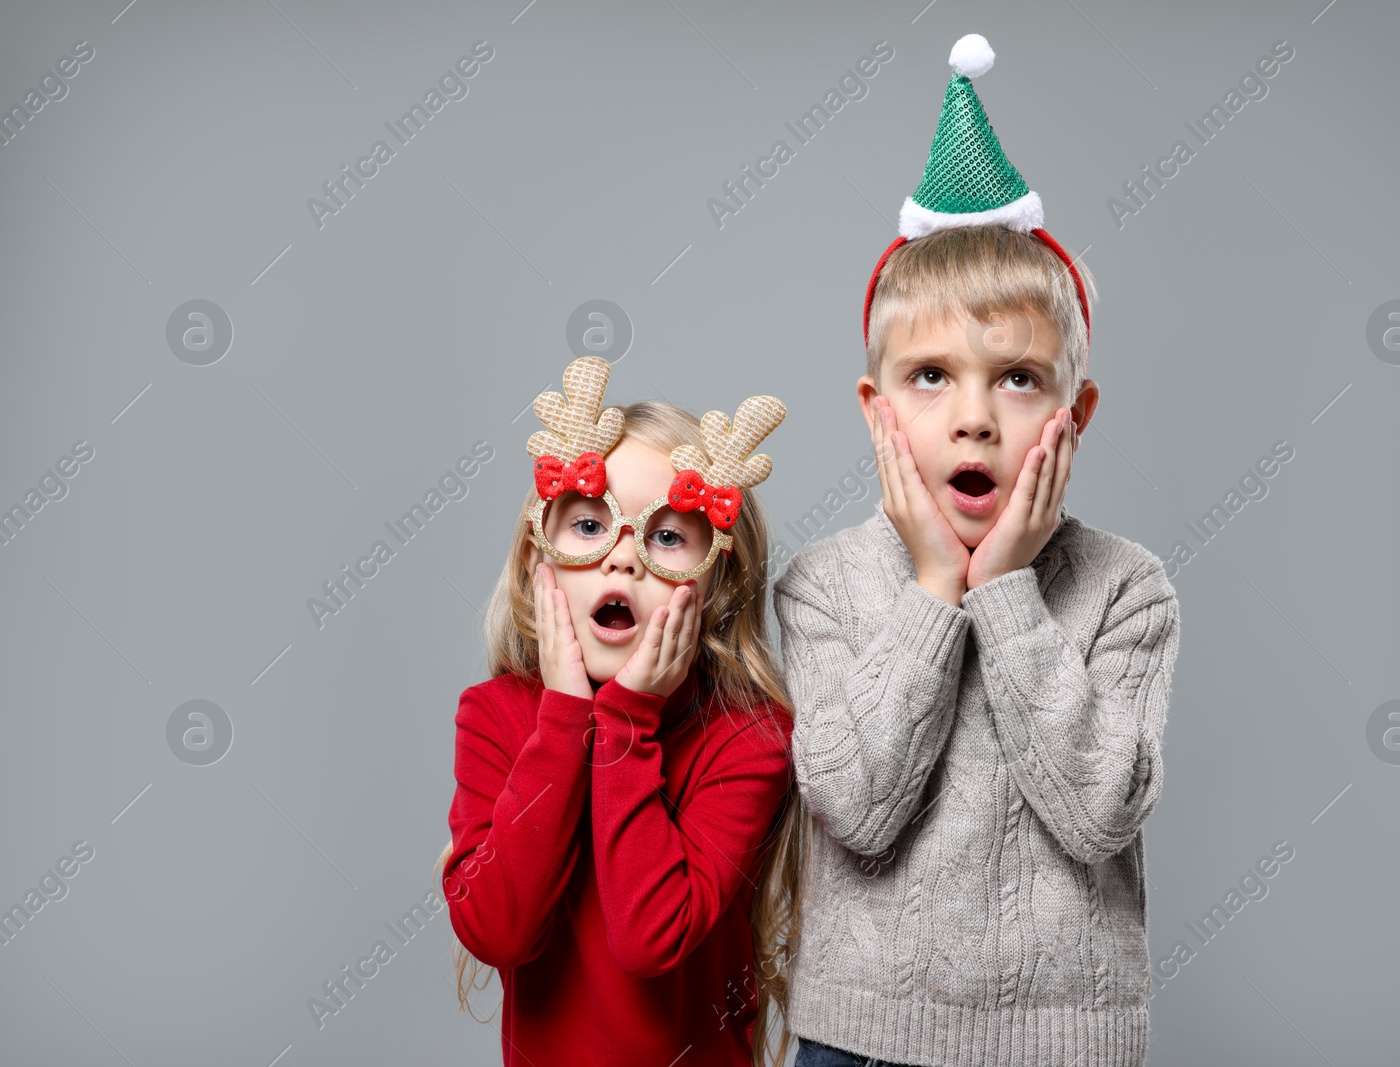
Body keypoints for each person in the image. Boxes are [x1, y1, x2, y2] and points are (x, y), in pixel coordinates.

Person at [775, 34, 1181, 1067]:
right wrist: (929, 591)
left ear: (1074, 413)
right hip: (858, 1038)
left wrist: (1002, 589)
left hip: (1062, 1044)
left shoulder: (1126, 588)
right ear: (876, 413)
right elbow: (856, 809)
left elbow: (1100, 813)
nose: (972, 419)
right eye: (929, 376)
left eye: (1016, 378)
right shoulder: (824, 584)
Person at [436, 356, 806, 1066]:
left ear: (714, 581)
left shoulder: (747, 737)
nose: (624, 562)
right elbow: (498, 931)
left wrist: (627, 723)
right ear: (535, 559)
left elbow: (649, 935)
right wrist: (565, 721)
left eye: (667, 536)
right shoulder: (495, 716)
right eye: (589, 526)